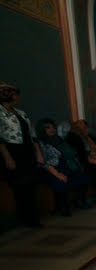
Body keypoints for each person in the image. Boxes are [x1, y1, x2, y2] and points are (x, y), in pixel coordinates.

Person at [0, 83, 43, 227]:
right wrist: (7, 158)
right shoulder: (0, 113)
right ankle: (24, 217)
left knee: (31, 184)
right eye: (14, 94)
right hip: (13, 151)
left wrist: (38, 153)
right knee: (20, 186)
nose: (17, 97)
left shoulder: (21, 113)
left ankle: (33, 217)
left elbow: (32, 134)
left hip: (27, 151)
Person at [36, 119, 90, 216]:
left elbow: (71, 153)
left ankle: (80, 201)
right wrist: (57, 174)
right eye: (48, 128)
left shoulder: (59, 139)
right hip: (51, 169)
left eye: (53, 127)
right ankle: (63, 206)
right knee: (61, 181)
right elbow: (44, 163)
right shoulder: (40, 143)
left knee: (82, 176)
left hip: (65, 165)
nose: (51, 130)